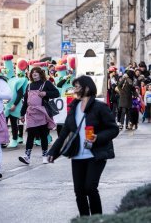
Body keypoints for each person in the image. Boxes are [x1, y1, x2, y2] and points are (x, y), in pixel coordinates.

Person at [47, 75, 119, 217]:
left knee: (90, 188)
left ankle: (98, 219)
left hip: (96, 154)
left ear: (87, 88)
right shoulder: (74, 107)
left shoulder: (99, 107)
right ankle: (85, 220)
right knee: (79, 192)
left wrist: (98, 138)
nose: (75, 89)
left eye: (77, 86)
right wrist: (53, 152)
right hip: (77, 155)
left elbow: (113, 129)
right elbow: (64, 134)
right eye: (74, 86)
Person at [19, 66, 59, 165]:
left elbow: (57, 93)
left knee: (43, 135)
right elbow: (25, 102)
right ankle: (27, 156)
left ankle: (45, 156)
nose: (34, 74)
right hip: (31, 113)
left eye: (36, 72)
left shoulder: (46, 83)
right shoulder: (29, 86)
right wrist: (22, 114)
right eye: (33, 72)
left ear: (41, 74)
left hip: (42, 112)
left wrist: (46, 93)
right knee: (30, 135)